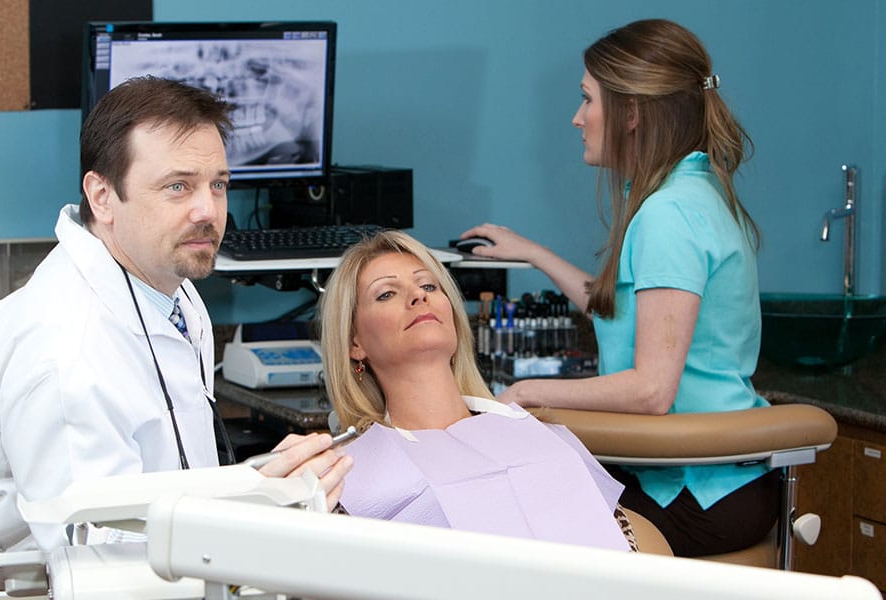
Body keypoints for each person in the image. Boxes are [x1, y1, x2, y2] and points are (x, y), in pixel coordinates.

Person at [0, 76, 352, 600]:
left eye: (219, 184)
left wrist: (264, 486)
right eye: (178, 186)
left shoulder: (167, 288)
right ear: (102, 195)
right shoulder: (66, 349)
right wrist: (267, 512)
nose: (208, 211)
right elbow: (97, 552)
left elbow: (171, 484)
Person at [459, 19, 773, 557]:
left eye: (587, 100)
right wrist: (534, 253)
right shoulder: (691, 189)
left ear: (630, 113)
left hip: (696, 494)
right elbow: (625, 310)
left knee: (509, 524)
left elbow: (651, 391)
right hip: (723, 484)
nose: (577, 118)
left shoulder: (668, 215)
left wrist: (527, 395)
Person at [317, 229, 633, 553]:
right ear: (355, 343)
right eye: (386, 294)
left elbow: (623, 545)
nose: (418, 296)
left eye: (428, 285)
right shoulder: (347, 477)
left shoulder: (540, 435)